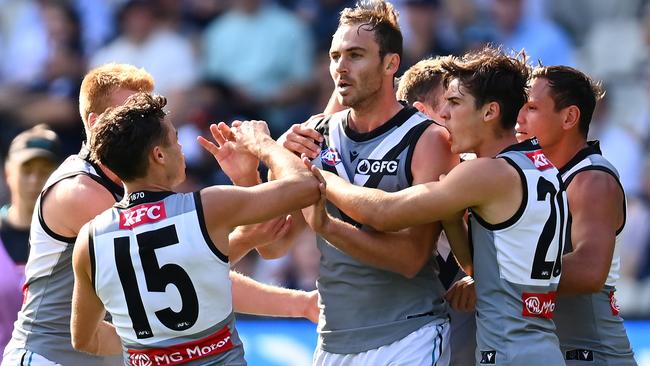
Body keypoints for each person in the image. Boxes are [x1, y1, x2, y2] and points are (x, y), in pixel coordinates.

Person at [1, 63, 317, 366]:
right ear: (98, 124)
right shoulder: (82, 192)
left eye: (147, 111)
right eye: (131, 112)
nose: (143, 120)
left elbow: (191, 268)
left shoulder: (137, 190)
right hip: (50, 358)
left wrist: (246, 180)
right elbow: (176, 272)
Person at [307, 47, 568, 365]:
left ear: (489, 112)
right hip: (539, 344)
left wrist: (321, 176)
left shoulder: (484, 172)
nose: (444, 115)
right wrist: (452, 220)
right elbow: (483, 262)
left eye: (455, 103)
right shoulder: (541, 167)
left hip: (507, 350)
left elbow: (384, 213)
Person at [263, 1, 466, 364]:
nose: (340, 67)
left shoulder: (427, 139)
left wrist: (326, 225)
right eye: (334, 55)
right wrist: (268, 165)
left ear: (391, 64)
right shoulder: (315, 134)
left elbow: (410, 259)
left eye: (355, 55)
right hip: (332, 340)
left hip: (407, 336)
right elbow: (272, 245)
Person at [70, 92, 321, 365]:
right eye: (176, 140)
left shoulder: (90, 239)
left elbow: (85, 339)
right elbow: (306, 188)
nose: (181, 149)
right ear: (159, 155)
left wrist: (152, 347)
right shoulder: (208, 206)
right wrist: (263, 145)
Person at [515, 65, 636, 365]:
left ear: (569, 117)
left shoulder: (592, 179)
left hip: (592, 353)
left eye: (531, 108)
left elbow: (589, 270)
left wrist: (500, 277)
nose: (519, 118)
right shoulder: (536, 174)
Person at [395, 57, 477, 366]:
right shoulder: (380, 182)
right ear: (420, 114)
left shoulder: (486, 174)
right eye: (451, 104)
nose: (456, 116)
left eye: (461, 104)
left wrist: (491, 279)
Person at [0, 125, 62, 361]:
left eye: (44, 170)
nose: (35, 179)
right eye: (26, 170)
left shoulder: (74, 239)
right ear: (8, 172)